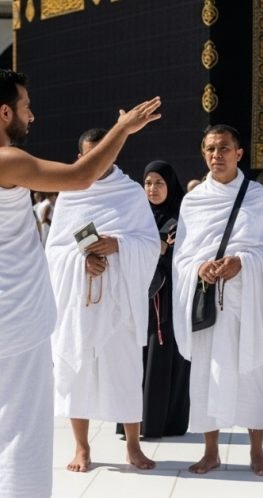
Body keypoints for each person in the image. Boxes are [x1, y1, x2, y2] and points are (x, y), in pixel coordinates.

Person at [0, 68, 160, 497]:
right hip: (13, 322)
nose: (30, 117)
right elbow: (80, 176)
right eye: (25, 107)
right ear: (3, 113)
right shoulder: (7, 160)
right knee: (20, 426)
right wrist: (123, 128)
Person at [46, 128, 161, 473]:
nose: (97, 162)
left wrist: (119, 245)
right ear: (81, 158)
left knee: (125, 372)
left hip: (119, 299)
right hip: (80, 298)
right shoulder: (71, 192)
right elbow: (54, 250)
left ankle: (133, 447)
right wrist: (80, 261)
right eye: (90, 156)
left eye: (103, 154)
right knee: (76, 369)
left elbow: (150, 243)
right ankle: (82, 448)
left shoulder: (130, 193)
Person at [173, 124, 263, 476]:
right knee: (206, 376)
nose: (216, 155)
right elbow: (182, 258)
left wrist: (243, 263)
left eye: (223, 148)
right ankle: (210, 451)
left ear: (239, 153)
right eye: (209, 149)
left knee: (251, 375)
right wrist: (199, 267)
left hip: (246, 304)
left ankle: (256, 451)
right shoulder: (193, 201)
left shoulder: (258, 197)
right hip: (208, 304)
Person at [116, 159, 191, 439]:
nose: (152, 188)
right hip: (139, 297)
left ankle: (160, 422)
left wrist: (161, 251)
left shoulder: (182, 217)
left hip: (168, 300)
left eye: (159, 183)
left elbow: (186, 254)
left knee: (164, 357)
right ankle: (131, 421)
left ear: (170, 185)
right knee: (136, 357)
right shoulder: (137, 216)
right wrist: (154, 248)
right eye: (148, 182)